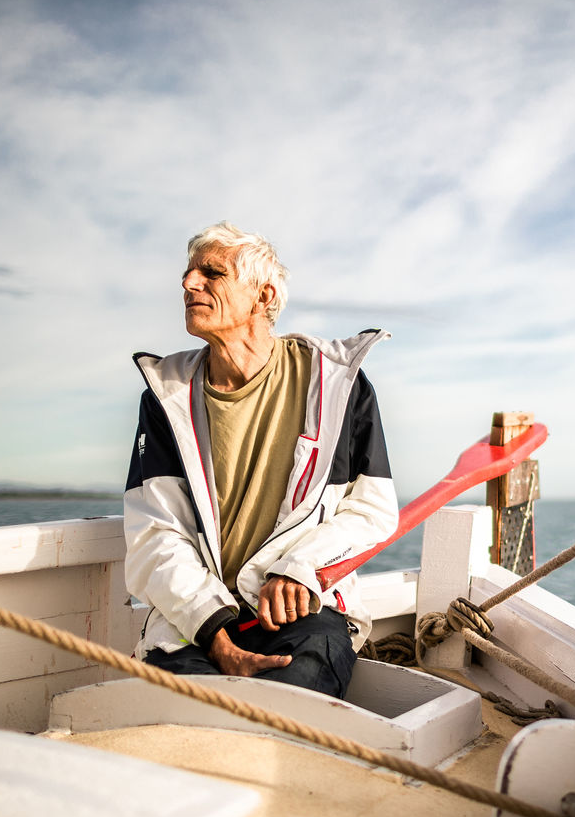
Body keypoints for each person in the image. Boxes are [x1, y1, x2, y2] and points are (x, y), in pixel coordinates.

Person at [123, 222, 398, 699]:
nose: (188, 283)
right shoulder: (167, 396)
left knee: (291, 705)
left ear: (262, 295)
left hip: (305, 609)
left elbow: (372, 510)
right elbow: (154, 533)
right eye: (188, 273)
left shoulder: (335, 383)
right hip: (197, 619)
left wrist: (298, 567)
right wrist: (214, 631)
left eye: (211, 273)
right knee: (183, 711)